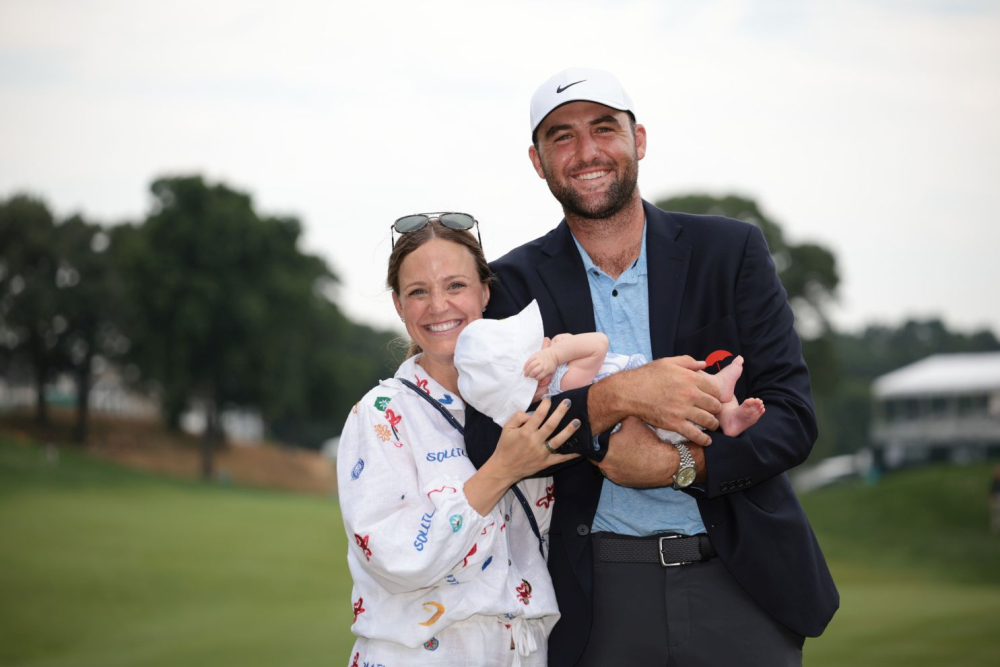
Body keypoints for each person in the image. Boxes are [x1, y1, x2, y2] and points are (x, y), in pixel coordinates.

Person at [465, 67, 839, 666]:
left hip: (740, 581)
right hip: (595, 596)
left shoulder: (730, 251)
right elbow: (488, 441)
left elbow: (792, 417)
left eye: (604, 129)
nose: (586, 151)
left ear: (638, 140)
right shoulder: (512, 284)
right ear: (537, 161)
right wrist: (620, 396)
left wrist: (678, 465)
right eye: (561, 136)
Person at [336, 215, 583, 667]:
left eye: (455, 286)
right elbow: (394, 558)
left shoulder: (529, 397)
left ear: (485, 292)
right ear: (398, 305)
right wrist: (501, 469)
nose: (437, 306)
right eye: (418, 291)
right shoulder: (380, 414)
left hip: (524, 653)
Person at [454, 299, 764, 442]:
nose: (547, 341)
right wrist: (557, 355)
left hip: (656, 421)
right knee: (695, 383)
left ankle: (730, 418)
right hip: (658, 408)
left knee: (694, 388)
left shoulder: (552, 387)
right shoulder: (564, 378)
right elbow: (598, 344)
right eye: (538, 347)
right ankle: (720, 395)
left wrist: (553, 355)